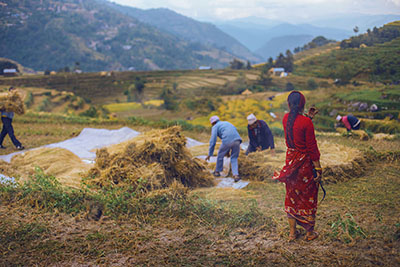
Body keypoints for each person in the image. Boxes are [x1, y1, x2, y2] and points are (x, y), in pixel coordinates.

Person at [272, 91, 322, 241]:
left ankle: (292, 233)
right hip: (305, 165)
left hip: (291, 162)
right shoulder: (306, 123)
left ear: (288, 104)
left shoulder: (286, 118)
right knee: (308, 196)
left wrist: (308, 118)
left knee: (292, 195)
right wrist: (318, 168)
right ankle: (309, 233)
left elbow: (295, 127)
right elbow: (311, 148)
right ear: (303, 105)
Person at [205, 116, 242, 182]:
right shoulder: (227, 123)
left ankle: (217, 172)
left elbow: (213, 141)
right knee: (234, 158)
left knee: (220, 155)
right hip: (237, 140)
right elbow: (232, 134)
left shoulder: (215, 126)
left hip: (227, 141)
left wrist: (210, 154)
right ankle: (236, 175)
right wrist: (227, 151)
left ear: (213, 123)